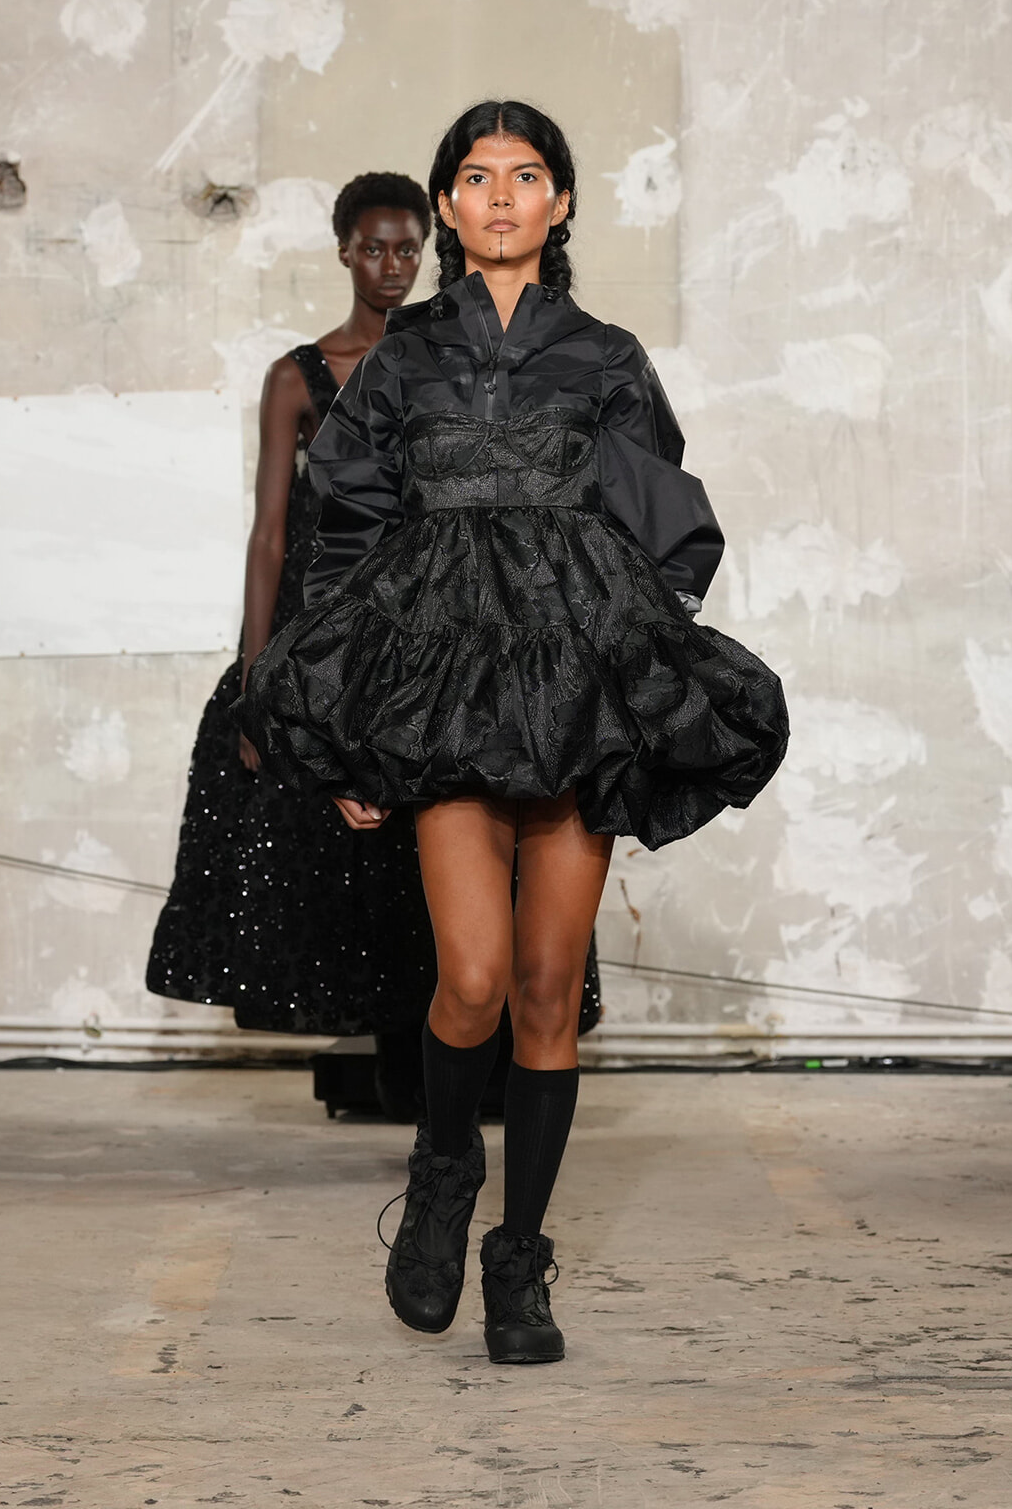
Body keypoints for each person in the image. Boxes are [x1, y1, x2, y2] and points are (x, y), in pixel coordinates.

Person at [238, 103, 788, 1364]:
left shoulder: (606, 358)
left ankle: (519, 1260)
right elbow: (346, 541)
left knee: (548, 994)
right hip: (441, 705)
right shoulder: (402, 362)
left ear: (562, 203)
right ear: (444, 206)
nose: (499, 196)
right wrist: (352, 727)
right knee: (472, 981)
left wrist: (636, 686)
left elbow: (665, 535)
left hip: (575, 702)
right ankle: (443, 1172)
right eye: (476, 177)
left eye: (525, 176)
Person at [147, 174, 442, 1111]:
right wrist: (253, 678)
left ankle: (440, 1064)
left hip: (426, 631)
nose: (392, 265)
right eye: (374, 248)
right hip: (326, 638)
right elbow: (271, 532)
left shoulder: (448, 364)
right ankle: (396, 1067)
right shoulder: (300, 376)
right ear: (344, 251)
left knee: (426, 852)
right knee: (334, 846)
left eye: (408, 248)